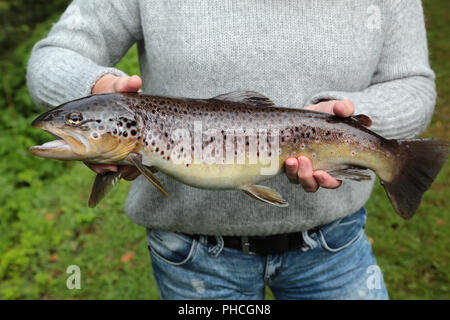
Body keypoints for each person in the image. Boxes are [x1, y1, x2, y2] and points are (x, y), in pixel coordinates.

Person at [27, 0, 435, 299]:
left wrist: (348, 121)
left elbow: (412, 84)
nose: (71, 127)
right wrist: (98, 90)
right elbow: (52, 58)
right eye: (77, 124)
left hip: (336, 244)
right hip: (191, 256)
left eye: (78, 122)